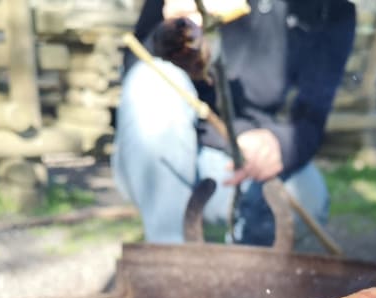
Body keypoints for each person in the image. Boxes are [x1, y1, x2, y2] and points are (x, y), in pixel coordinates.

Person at [113, 0, 355, 247]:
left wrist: (278, 143)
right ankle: (168, 257)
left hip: (236, 162)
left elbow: (312, 116)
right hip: (164, 153)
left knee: (308, 196)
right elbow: (137, 62)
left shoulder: (330, 9)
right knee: (152, 82)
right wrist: (172, 33)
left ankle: (244, 271)